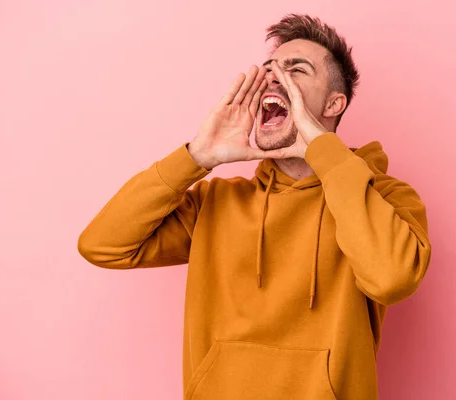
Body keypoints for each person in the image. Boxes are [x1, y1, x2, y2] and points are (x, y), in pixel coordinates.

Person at [78, 13, 432, 400]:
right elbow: (102, 244)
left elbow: (392, 279)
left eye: (296, 70)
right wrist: (197, 156)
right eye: (269, 68)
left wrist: (327, 157)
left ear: (334, 103)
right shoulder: (215, 203)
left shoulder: (384, 197)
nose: (274, 77)